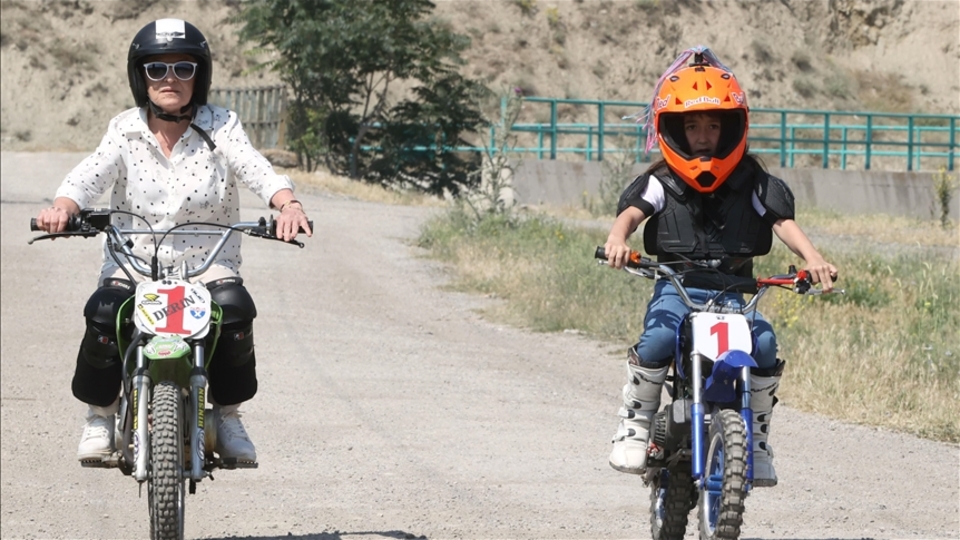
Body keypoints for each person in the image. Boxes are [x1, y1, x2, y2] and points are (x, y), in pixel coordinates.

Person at [33, 18, 312, 464]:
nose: (170, 80)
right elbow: (89, 175)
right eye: (157, 69)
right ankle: (100, 417)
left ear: (199, 76)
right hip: (134, 262)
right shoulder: (124, 128)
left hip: (207, 263)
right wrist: (63, 207)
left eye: (184, 68)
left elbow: (256, 168)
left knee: (236, 312)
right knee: (104, 313)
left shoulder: (222, 125)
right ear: (139, 76)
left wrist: (288, 205)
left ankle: (228, 415)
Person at [604, 47, 837, 486]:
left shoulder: (752, 182)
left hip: (732, 292)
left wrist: (814, 259)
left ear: (732, 128)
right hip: (679, 286)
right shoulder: (661, 181)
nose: (704, 135)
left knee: (764, 344)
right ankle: (634, 423)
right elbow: (632, 214)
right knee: (656, 339)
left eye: (713, 124)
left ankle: (757, 440)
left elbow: (782, 222)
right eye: (692, 125)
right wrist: (618, 239)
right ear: (674, 129)